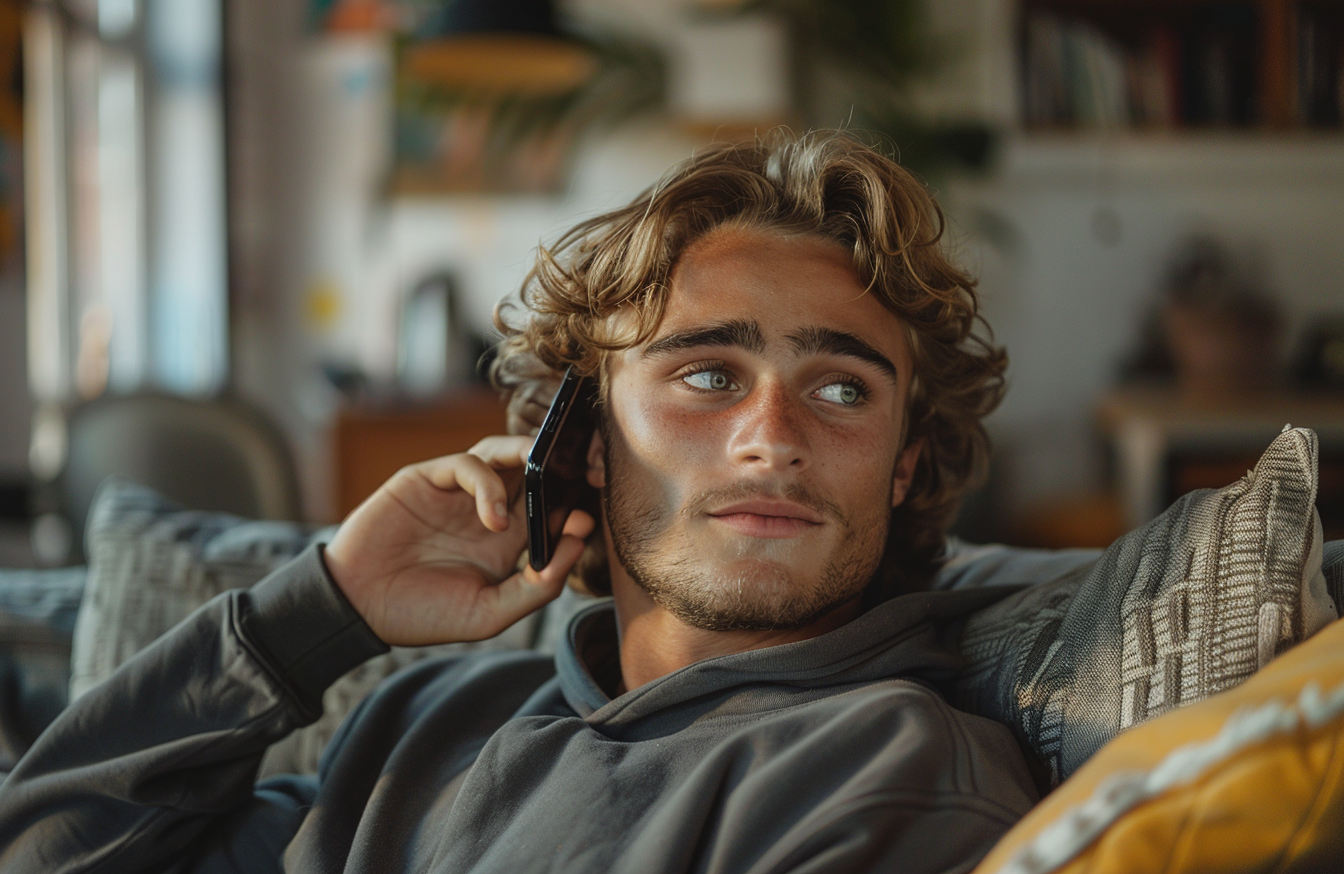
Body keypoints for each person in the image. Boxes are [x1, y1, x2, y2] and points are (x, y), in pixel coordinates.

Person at [0, 132, 1038, 873]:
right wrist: (321, 608)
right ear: (585, 444)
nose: (774, 432)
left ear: (900, 467)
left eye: (843, 387)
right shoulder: (425, 722)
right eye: (710, 374)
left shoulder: (896, 775)